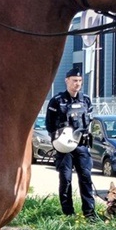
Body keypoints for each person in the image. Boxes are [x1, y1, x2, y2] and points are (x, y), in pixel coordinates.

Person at [45, 66, 96, 219]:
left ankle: (89, 213)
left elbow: (90, 122)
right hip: (64, 146)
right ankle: (68, 213)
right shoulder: (57, 101)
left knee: (86, 179)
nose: (77, 83)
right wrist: (58, 139)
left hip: (81, 146)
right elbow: (49, 125)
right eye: (74, 80)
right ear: (67, 81)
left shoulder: (86, 100)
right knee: (66, 179)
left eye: (80, 81)